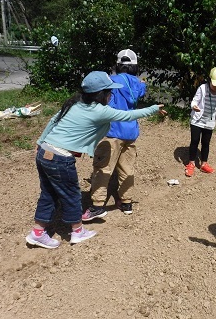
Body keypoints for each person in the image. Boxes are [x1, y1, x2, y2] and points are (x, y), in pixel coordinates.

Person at [25, 71, 166, 249]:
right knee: (72, 194)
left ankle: (37, 232)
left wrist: (40, 141)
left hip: (44, 152)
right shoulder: (99, 111)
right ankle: (77, 231)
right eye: (109, 92)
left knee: (49, 193)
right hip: (60, 158)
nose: (111, 95)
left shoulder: (75, 103)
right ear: (102, 94)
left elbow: (54, 120)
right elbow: (128, 116)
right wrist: (154, 108)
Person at [85, 49, 146, 219]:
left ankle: (97, 205)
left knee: (103, 167)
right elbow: (141, 90)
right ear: (134, 66)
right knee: (127, 167)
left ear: (118, 65)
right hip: (131, 131)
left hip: (112, 131)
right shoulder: (139, 84)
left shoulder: (110, 81)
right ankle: (126, 202)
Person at [184, 67, 216, 177]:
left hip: (210, 121)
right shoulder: (202, 88)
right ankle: (191, 163)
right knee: (195, 141)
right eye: (215, 85)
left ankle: (204, 163)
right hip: (197, 119)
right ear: (209, 80)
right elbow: (194, 101)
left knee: (206, 143)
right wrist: (194, 106)